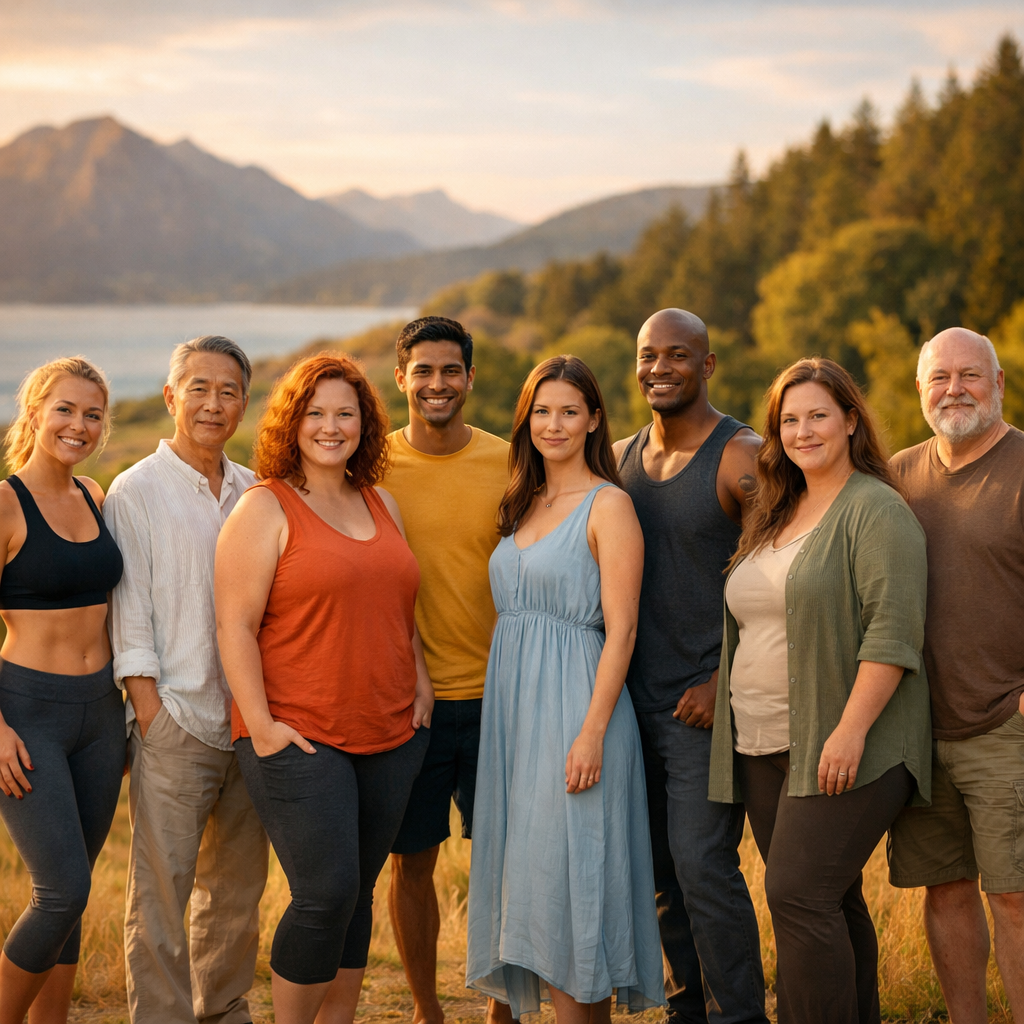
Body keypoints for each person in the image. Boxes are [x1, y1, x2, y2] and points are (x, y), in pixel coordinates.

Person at [708, 356, 931, 1024]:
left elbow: (893, 633)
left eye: (818, 416)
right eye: (789, 419)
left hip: (846, 743)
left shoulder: (877, 509)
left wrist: (850, 730)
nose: (803, 431)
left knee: (799, 896)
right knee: (831, 900)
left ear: (851, 420)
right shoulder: (778, 510)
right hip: (764, 741)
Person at [216, 352, 433, 1024]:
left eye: (346, 413)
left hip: (393, 730)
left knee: (358, 891)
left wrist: (421, 685)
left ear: (366, 425)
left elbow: (399, 604)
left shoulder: (382, 502)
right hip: (299, 732)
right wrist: (262, 722)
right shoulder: (265, 507)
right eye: (316, 413)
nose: (331, 426)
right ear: (293, 422)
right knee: (325, 890)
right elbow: (233, 625)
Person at [466, 355, 664, 1024]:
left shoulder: (610, 505)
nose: (554, 424)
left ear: (593, 420)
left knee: (576, 888)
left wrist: (591, 732)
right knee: (533, 887)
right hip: (516, 716)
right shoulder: (522, 500)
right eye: (542, 411)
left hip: (579, 710)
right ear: (527, 420)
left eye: (569, 411)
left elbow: (624, 629)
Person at [104, 336, 269, 1024]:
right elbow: (130, 616)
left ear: (242, 404)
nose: (212, 403)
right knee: (162, 893)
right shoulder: (135, 490)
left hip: (250, 722)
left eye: (227, 390)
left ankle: (222, 1009)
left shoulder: (254, 489)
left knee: (235, 889)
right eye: (197, 388)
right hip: (174, 719)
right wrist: (150, 714)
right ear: (172, 397)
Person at [612, 308, 767, 1024]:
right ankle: (688, 1009)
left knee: (704, 866)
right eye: (649, 355)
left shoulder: (743, 457)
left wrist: (721, 681)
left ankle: (739, 1014)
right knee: (660, 872)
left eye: (678, 355)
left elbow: (779, 578)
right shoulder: (618, 458)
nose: (660, 368)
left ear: (707, 365)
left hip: (704, 700)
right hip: (631, 705)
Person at [887, 327, 1024, 1023]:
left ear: (998, 384)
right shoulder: (897, 476)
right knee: (944, 889)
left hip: (1007, 723)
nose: (955, 389)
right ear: (920, 390)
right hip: (917, 731)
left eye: (971, 376)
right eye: (940, 378)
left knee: (1015, 895)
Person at [381, 317, 512, 1024]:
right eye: (423, 371)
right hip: (409, 705)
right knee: (413, 863)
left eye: (450, 370)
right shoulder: (372, 466)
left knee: (503, 862)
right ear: (401, 378)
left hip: (501, 697)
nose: (437, 384)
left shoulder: (508, 461)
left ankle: (501, 1005)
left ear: (468, 377)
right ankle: (427, 1009)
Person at [0, 357, 124, 1024]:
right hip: (28, 715)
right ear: (36, 412)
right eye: (66, 409)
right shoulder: (3, 504)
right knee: (61, 889)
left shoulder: (95, 496)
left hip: (101, 716)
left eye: (93, 414)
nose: (79, 425)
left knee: (74, 893)